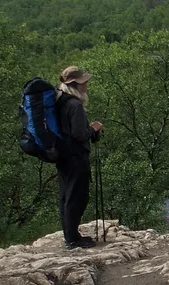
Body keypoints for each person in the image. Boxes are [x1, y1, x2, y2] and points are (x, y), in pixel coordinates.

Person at [56, 66, 103, 249]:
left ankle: (71, 235)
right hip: (76, 157)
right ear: (77, 84)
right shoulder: (75, 105)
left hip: (63, 156)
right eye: (84, 82)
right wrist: (94, 129)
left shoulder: (60, 101)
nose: (87, 84)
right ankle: (73, 240)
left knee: (66, 197)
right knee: (76, 197)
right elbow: (78, 135)